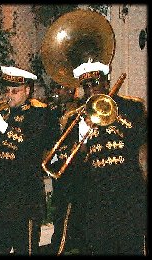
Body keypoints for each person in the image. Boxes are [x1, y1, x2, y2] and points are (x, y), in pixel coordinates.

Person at [50, 60, 147, 255]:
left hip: (128, 193)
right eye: (86, 86)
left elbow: (140, 139)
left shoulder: (132, 107)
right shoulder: (75, 118)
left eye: (95, 83)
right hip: (96, 198)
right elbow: (72, 167)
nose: (91, 89)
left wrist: (114, 116)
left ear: (106, 82)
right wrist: (82, 133)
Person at [0, 66, 60, 255]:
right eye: (7, 91)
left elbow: (31, 147)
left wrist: (4, 128)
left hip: (24, 197)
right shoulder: (3, 112)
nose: (9, 95)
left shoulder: (39, 113)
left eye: (15, 91)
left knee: (25, 250)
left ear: (28, 90)